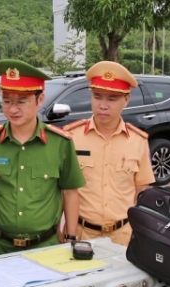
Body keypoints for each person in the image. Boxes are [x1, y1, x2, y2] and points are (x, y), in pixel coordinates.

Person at [0, 59, 86, 257]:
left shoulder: (60, 144)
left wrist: (71, 236)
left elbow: (70, 193)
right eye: (6, 101)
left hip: (45, 245)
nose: (13, 109)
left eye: (21, 102)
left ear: (40, 100)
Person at [63, 61, 155, 246]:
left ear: (126, 100)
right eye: (98, 97)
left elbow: (142, 191)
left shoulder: (138, 140)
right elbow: (63, 191)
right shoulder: (71, 137)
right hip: (82, 234)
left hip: (123, 236)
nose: (103, 105)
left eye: (112, 99)